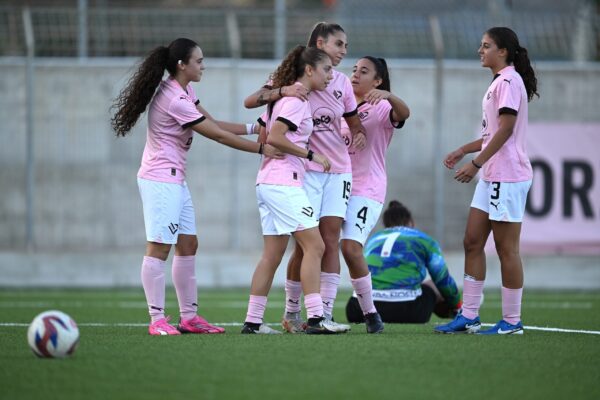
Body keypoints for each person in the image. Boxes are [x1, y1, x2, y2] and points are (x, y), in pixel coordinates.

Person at [110, 38, 282, 336]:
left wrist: (254, 128)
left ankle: (189, 318)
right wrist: (260, 148)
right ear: (182, 65)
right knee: (159, 246)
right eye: (199, 61)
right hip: (160, 178)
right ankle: (157, 320)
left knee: (188, 244)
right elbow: (215, 135)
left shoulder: (185, 90)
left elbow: (212, 122)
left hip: (175, 179)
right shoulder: (174, 99)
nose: (203, 66)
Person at [245, 22, 367, 334]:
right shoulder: (296, 97)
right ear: (311, 67)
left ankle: (253, 322)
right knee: (315, 246)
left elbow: (265, 129)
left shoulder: (306, 92)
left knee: (274, 254)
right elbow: (273, 133)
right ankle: (315, 318)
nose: (334, 71)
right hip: (287, 181)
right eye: (337, 48)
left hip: (271, 181)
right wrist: (312, 155)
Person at [434, 27, 539, 335]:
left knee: (507, 250)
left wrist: (475, 163)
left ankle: (511, 321)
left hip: (507, 175)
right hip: (492, 175)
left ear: (502, 51)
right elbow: (491, 134)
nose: (480, 50)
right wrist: (463, 150)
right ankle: (469, 315)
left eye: (486, 46)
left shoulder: (508, 80)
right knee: (472, 241)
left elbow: (506, 130)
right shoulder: (498, 83)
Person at [339, 56, 410, 332]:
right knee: (318, 245)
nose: (355, 74)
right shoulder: (340, 104)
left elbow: (404, 114)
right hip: (335, 184)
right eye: (354, 69)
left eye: (364, 71)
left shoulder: (381, 107)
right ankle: (312, 312)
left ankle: (370, 314)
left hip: (367, 188)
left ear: (378, 81)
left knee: (350, 247)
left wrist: (390, 96)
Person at [346, 201, 462, 324]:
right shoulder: (424, 239)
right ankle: (458, 313)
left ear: (385, 224)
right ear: (411, 222)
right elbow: (442, 278)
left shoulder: (374, 239)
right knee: (433, 284)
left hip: (357, 311)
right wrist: (458, 304)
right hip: (409, 311)